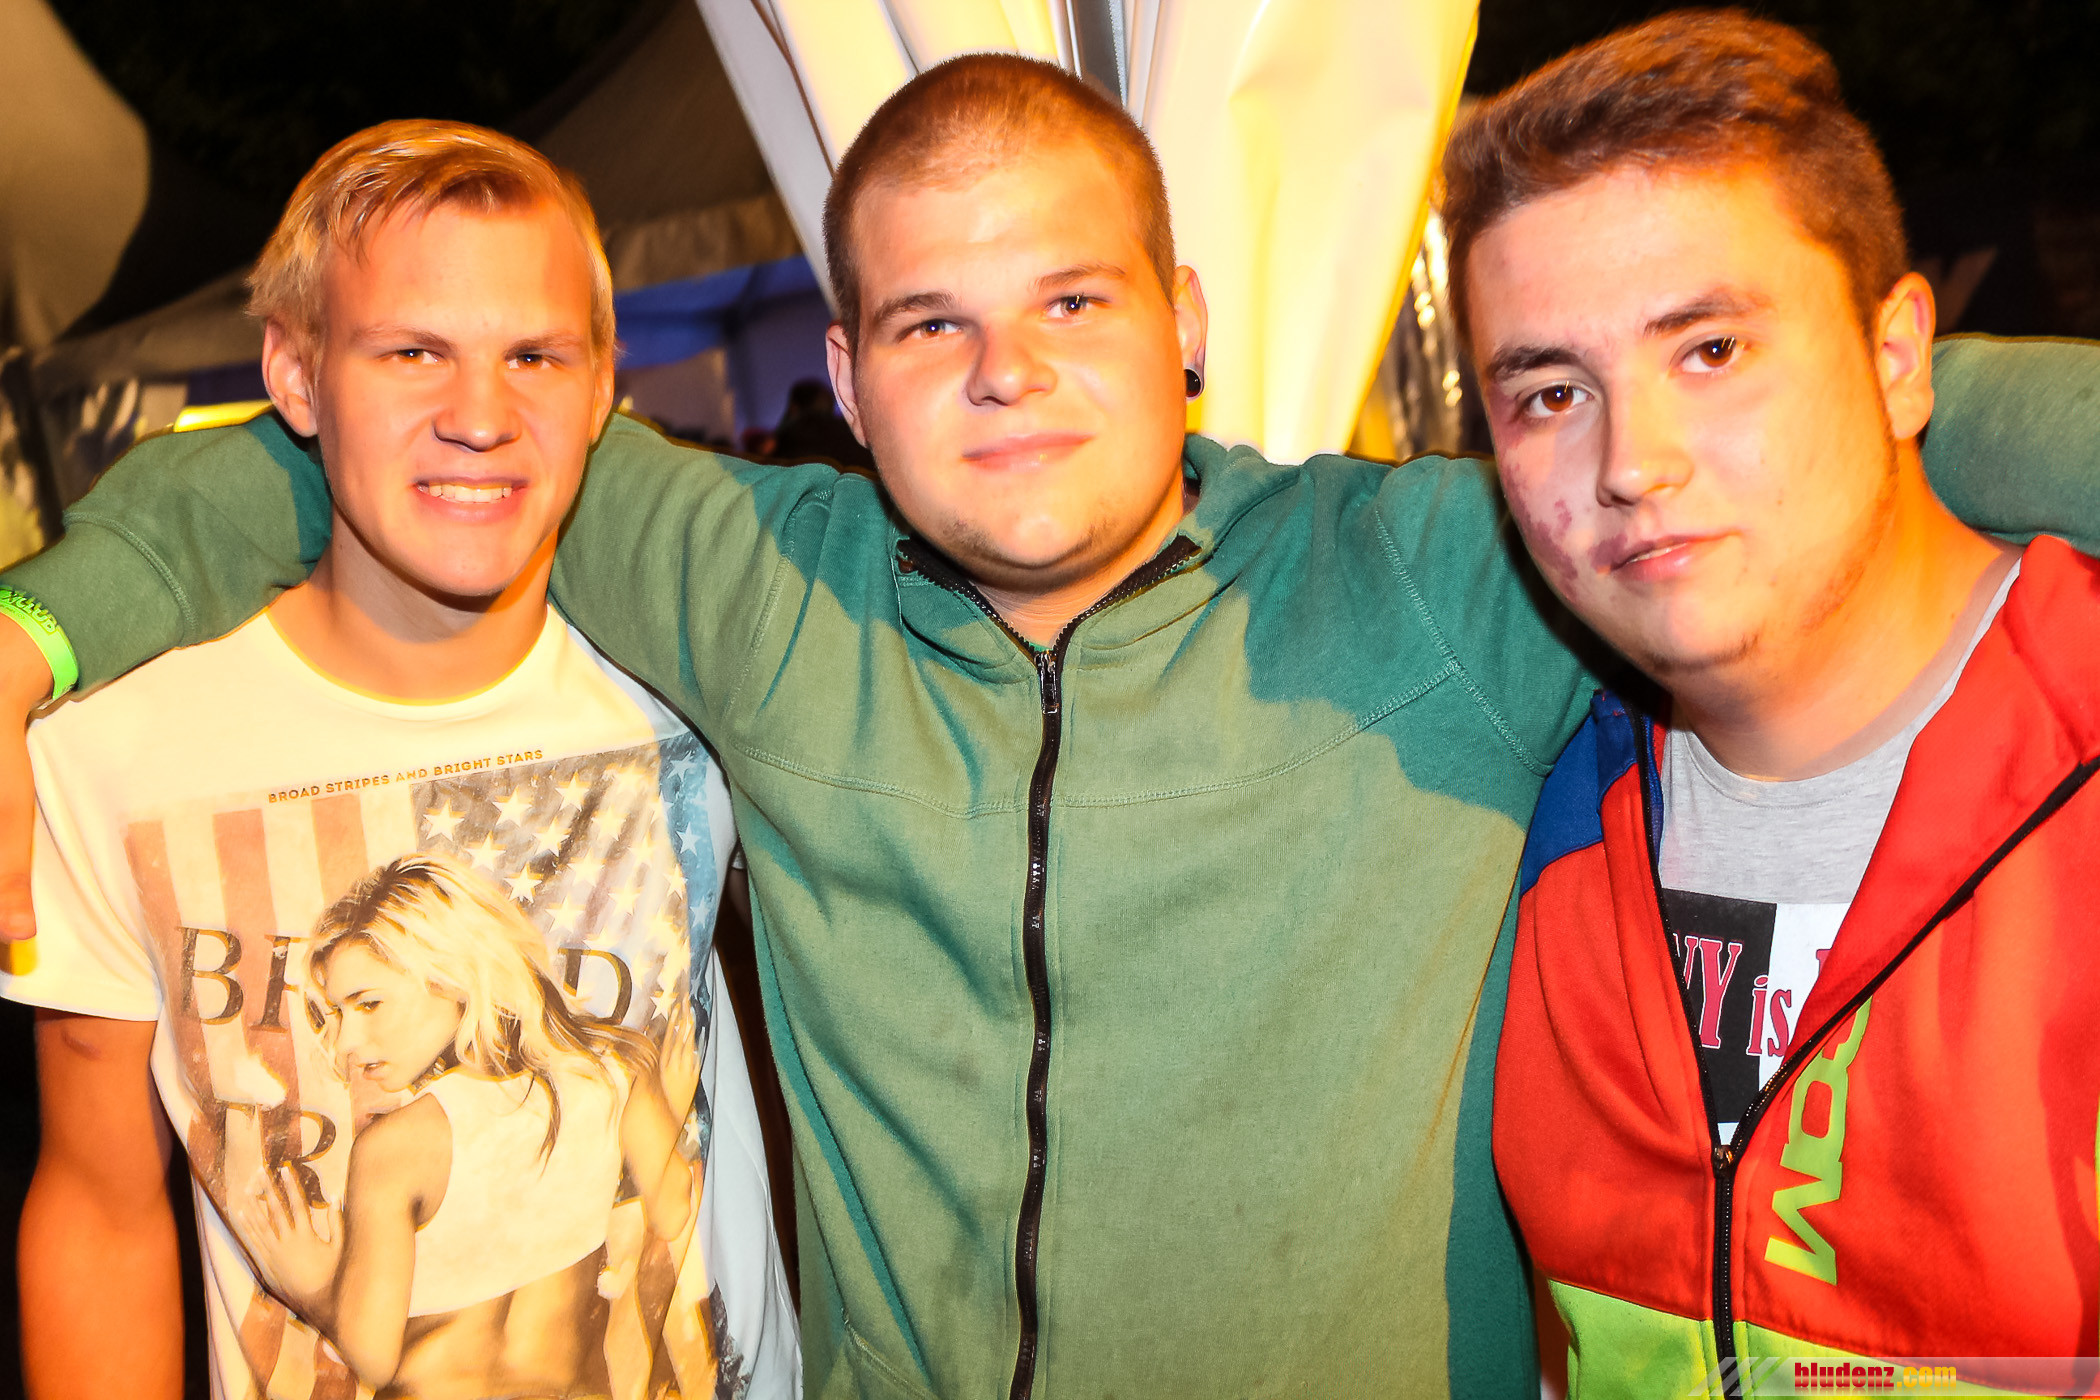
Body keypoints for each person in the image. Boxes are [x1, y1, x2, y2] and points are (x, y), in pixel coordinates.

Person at [0, 54, 2097, 1400]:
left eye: (1074, 301)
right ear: (846, 371)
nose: (1007, 373)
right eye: (935, 322)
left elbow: (1826, 433)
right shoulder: (764, 580)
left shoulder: (1438, 571)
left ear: (1185, 324)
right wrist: (35, 632)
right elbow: (400, 432)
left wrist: (1897, 379)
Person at [0, 121, 796, 1399]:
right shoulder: (106, 746)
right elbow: (100, 1207)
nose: (479, 416)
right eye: (412, 351)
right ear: (295, 374)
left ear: (604, 383)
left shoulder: (701, 685)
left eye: (534, 354)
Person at [1447, 13, 2100, 1393]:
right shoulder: (1514, 797)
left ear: (1898, 356)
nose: (1633, 464)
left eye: (1712, 350)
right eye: (1552, 392)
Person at [235, 853, 697, 1398]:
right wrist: (666, 1110)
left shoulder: (396, 1148)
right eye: (337, 1015)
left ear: (452, 976)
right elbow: (673, 1210)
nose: (345, 1045)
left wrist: (313, 1285)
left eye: (370, 1005)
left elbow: (374, 1361)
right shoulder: (620, 1066)